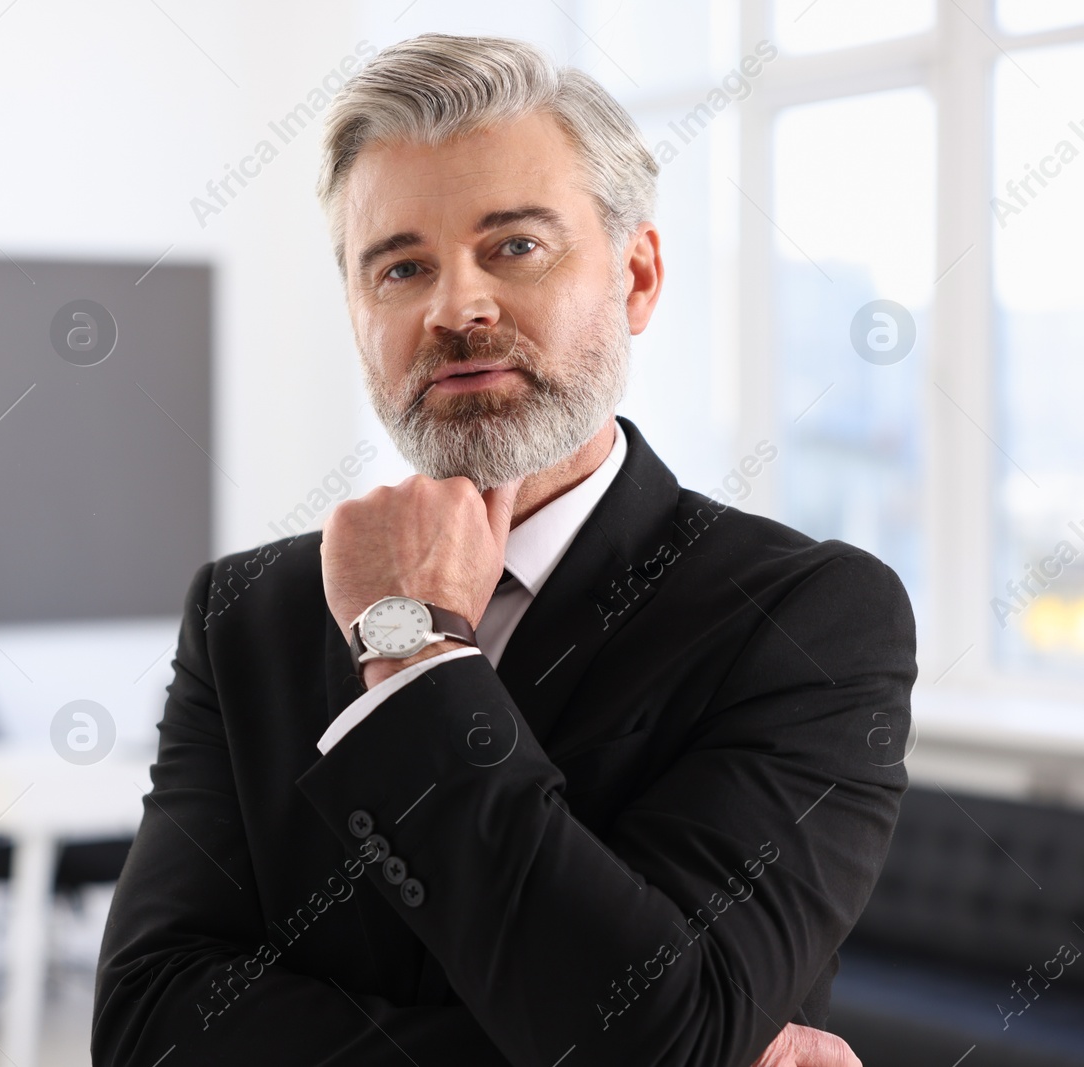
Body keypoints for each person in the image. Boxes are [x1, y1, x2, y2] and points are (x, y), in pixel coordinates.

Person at [94, 32, 913, 1067]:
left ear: (639, 276)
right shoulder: (245, 611)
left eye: (514, 245)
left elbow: (662, 1031)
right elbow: (145, 1025)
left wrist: (415, 655)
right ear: (357, 313)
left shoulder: (808, 617)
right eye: (400, 266)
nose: (455, 307)